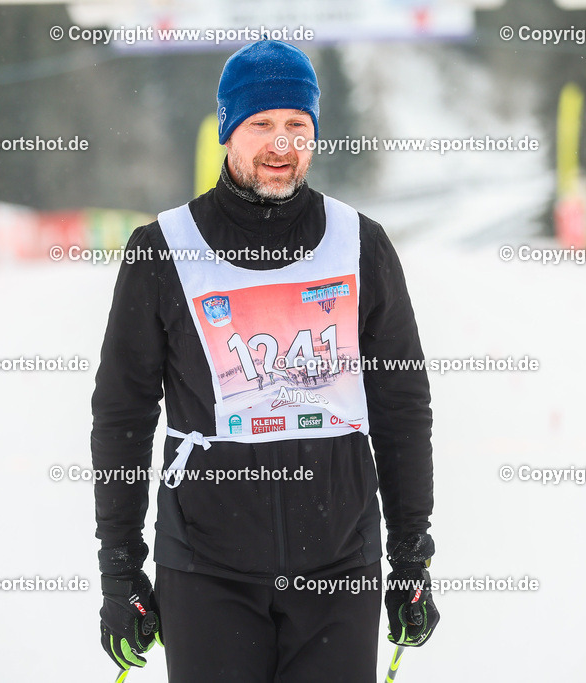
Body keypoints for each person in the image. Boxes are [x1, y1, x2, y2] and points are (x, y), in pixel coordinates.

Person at [92, 39, 438, 683]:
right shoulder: (163, 250)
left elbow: (401, 407)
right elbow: (121, 415)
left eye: (297, 127)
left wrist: (412, 555)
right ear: (228, 131)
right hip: (205, 571)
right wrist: (120, 567)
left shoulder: (360, 244)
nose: (281, 145)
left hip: (339, 566)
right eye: (262, 125)